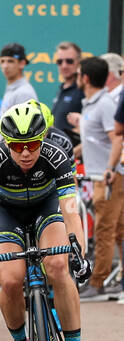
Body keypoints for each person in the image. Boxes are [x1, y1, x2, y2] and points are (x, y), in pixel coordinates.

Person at [0, 102, 90, 341]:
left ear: (42, 140)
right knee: (11, 279)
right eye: (17, 147)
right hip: (8, 214)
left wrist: (79, 250)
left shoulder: (57, 156)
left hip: (46, 209)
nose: (25, 152)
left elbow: (70, 210)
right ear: (7, 143)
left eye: (32, 144)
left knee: (57, 265)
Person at [74, 57, 122, 301]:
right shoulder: (93, 104)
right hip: (104, 175)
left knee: (104, 229)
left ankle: (97, 283)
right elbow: (94, 140)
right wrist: (71, 154)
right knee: (119, 230)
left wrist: (111, 168)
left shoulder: (103, 104)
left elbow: (116, 138)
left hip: (110, 176)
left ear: (86, 78)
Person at [51, 41, 83, 145]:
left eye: (69, 61)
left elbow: (94, 129)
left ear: (79, 62)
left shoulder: (84, 89)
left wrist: (73, 152)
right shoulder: (61, 88)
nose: (64, 66)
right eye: (60, 62)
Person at [0, 43, 38, 115]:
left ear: (22, 63)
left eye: (10, 61)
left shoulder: (24, 93)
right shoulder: (12, 89)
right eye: (2, 61)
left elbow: (24, 125)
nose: (5, 66)